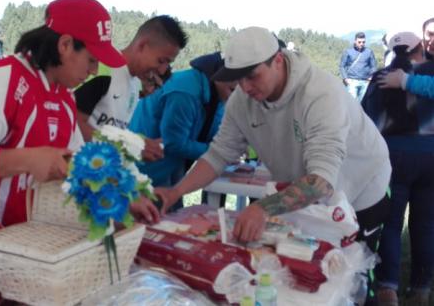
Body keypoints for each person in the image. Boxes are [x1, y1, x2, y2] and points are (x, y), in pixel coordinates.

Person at [0, 0, 160, 288]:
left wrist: (121, 195)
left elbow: (75, 161)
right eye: (91, 60)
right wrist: (25, 160)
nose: (94, 70)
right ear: (64, 45)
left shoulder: (63, 97)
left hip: (21, 256)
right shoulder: (7, 80)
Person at [156, 27, 391, 306]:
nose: (244, 87)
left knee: (355, 278)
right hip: (304, 195)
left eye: (252, 76)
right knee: (304, 275)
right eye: (237, 79)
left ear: (278, 60)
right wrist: (175, 192)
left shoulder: (320, 94)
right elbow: (218, 154)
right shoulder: (243, 100)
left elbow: (321, 181)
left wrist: (261, 208)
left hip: (361, 187)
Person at [361, 31, 434, 306]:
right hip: (431, 155)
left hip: (393, 156)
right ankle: (421, 288)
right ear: (419, 50)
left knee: (391, 224)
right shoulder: (430, 74)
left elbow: (364, 118)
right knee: (426, 224)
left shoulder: (380, 77)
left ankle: (387, 288)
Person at [129, 52, 236, 210]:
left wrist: (226, 147)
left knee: (173, 212)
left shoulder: (220, 94)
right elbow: (174, 143)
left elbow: (214, 135)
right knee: (152, 215)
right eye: (234, 86)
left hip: (174, 163)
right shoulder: (185, 92)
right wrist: (219, 152)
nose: (241, 87)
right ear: (219, 75)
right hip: (146, 165)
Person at [74, 15, 188, 162]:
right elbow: (74, 124)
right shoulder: (103, 70)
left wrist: (137, 143)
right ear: (142, 45)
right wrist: (130, 145)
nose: (162, 70)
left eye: (168, 63)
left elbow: (111, 130)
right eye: (161, 61)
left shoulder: (135, 82)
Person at [339, 31, 377, 102]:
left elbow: (373, 66)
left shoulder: (369, 52)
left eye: (363, 42)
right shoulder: (348, 52)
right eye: (359, 42)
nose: (361, 44)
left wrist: (371, 77)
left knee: (363, 104)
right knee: (352, 104)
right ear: (355, 41)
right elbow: (342, 66)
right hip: (352, 81)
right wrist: (345, 78)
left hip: (365, 82)